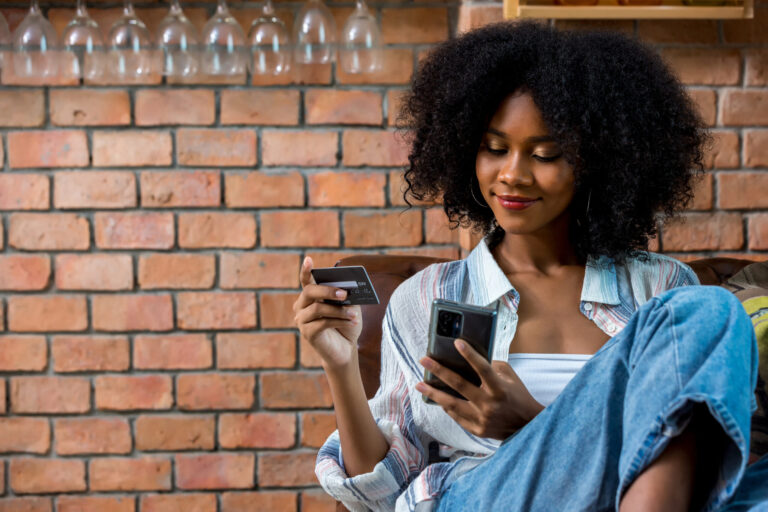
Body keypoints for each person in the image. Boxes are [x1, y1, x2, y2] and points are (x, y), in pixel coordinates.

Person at [293, 21, 766, 512]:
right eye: (494, 149)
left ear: (597, 164)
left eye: (545, 154)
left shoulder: (660, 287)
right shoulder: (426, 297)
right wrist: (341, 364)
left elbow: (679, 449)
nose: (512, 175)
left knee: (707, 311)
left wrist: (529, 420)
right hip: (485, 494)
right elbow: (381, 495)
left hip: (620, 496)